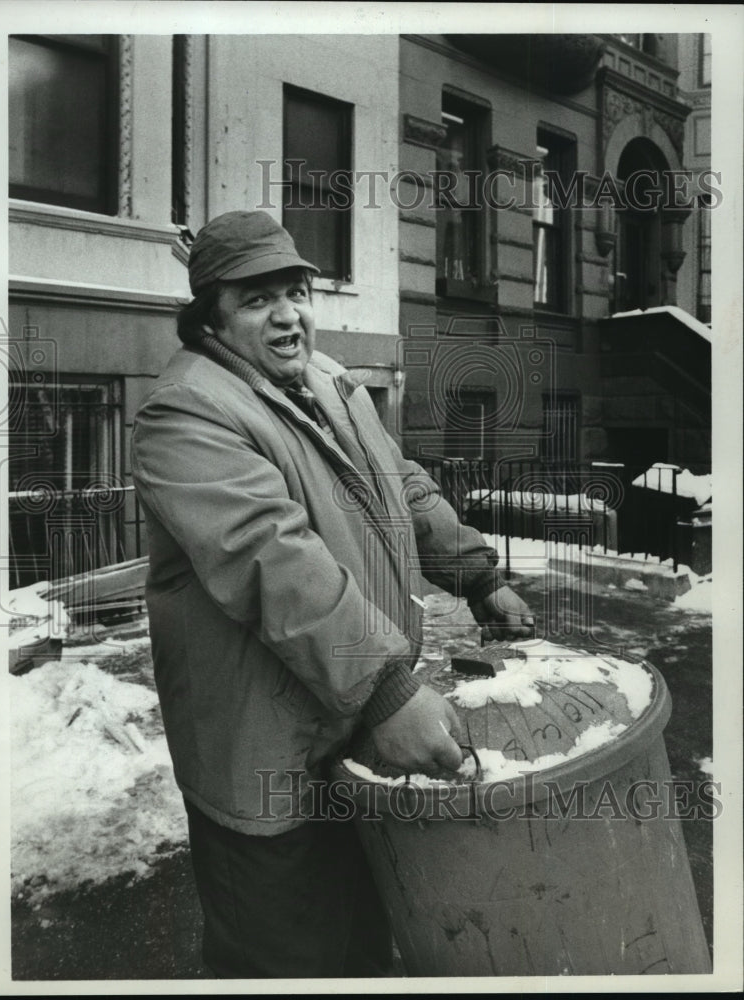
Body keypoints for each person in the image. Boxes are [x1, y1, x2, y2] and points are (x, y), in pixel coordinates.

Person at [131, 210, 534, 979]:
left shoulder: (325, 380)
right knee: (284, 957)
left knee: (362, 946)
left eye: (296, 291)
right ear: (210, 316)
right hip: (266, 760)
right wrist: (387, 688)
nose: (288, 316)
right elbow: (271, 561)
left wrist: (479, 577)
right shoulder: (186, 412)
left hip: (350, 738)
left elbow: (402, 487)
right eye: (257, 300)